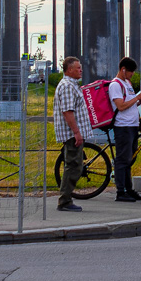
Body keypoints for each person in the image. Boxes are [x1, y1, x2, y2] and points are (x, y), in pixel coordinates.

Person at [108, 57, 141, 202]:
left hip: (132, 125)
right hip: (123, 127)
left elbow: (129, 105)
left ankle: (129, 189)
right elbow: (121, 106)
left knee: (129, 159)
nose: (132, 74)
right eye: (130, 71)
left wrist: (138, 101)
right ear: (123, 70)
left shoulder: (127, 83)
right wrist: (137, 98)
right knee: (122, 160)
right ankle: (120, 191)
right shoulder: (115, 85)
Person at [53, 56, 89, 213]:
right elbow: (68, 112)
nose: (81, 70)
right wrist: (76, 132)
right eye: (78, 68)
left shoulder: (72, 85)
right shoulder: (67, 86)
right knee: (73, 166)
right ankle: (65, 201)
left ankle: (66, 199)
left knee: (75, 164)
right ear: (69, 70)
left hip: (73, 133)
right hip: (71, 134)